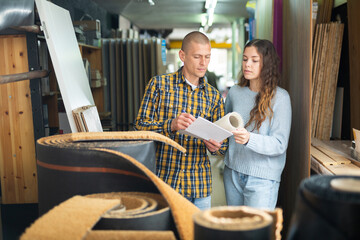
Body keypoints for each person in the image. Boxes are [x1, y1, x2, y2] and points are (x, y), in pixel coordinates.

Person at [135, 31, 228, 210]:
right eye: (197, 57)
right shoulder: (159, 85)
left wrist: (217, 146)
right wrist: (170, 125)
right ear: (182, 56)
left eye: (207, 57)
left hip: (199, 187)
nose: (203, 63)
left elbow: (223, 146)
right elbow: (139, 127)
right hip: (165, 182)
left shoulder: (214, 96)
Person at [223, 39, 292, 210]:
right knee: (236, 230)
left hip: (263, 179)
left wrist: (249, 139)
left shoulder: (280, 98)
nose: (248, 64)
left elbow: (280, 144)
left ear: (266, 64)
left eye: (254, 60)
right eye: (245, 59)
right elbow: (225, 127)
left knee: (257, 233)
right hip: (232, 172)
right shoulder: (235, 92)